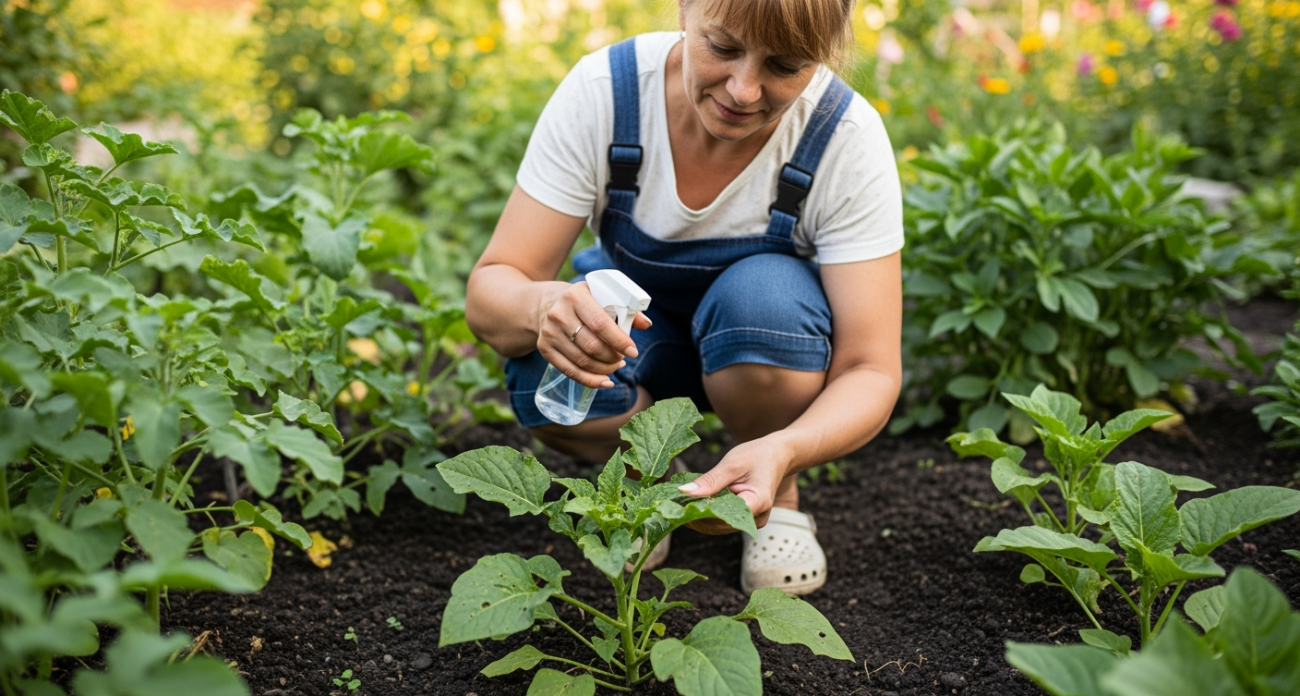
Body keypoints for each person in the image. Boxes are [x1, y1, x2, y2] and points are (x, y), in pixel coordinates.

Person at [465, 0, 902, 596]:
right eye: (722, 48)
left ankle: (780, 493)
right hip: (643, 343)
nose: (745, 90)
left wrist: (787, 449)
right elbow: (495, 286)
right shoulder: (608, 93)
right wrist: (546, 308)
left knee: (765, 302)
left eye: (785, 65)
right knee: (542, 377)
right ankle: (650, 479)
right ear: (684, 10)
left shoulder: (842, 137)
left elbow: (870, 368)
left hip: (760, 357)